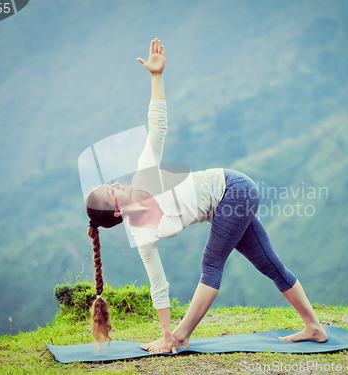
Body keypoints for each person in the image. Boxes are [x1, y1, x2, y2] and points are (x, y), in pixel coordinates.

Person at [85, 38, 328, 353]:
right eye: (110, 192)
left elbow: (157, 125)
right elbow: (159, 286)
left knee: (211, 261)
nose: (116, 185)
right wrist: (164, 332)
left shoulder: (145, 174)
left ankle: (183, 336)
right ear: (116, 212)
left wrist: (156, 77)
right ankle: (314, 327)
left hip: (234, 188)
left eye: (111, 183)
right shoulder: (142, 235)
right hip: (222, 209)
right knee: (268, 262)